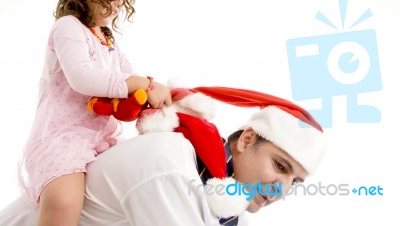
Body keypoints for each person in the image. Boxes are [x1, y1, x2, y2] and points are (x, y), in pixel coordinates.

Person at [0, 86, 328, 226]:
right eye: (280, 166)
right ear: (247, 139)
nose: (281, 189)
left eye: (295, 182)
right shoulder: (171, 167)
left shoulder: (222, 203)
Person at [17, 0, 172, 225]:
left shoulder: (106, 37)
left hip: (102, 139)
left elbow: (127, 76)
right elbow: (82, 77)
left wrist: (151, 93)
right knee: (64, 201)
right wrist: (140, 83)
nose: (117, 2)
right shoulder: (67, 27)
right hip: (62, 137)